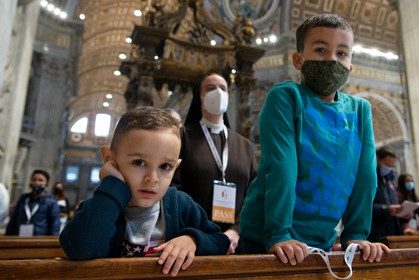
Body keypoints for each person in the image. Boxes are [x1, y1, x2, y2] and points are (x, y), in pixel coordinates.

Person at [238, 13, 389, 265]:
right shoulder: (286, 97)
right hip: (266, 237)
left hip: (321, 242)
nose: (331, 59)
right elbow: (282, 167)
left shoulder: (360, 110)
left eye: (342, 53)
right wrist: (278, 233)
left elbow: (366, 177)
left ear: (351, 64)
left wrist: (356, 234)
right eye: (320, 49)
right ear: (299, 59)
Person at [59, 106, 229, 276]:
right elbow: (78, 249)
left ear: (175, 167)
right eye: (139, 163)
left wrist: (193, 240)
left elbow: (221, 242)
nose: (152, 178)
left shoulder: (181, 205)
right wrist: (113, 185)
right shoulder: (101, 206)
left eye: (165, 166)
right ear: (109, 160)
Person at [172, 73, 257, 255]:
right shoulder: (183, 138)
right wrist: (204, 234)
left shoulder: (244, 145)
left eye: (223, 88)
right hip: (194, 240)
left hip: (238, 242)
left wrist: (235, 231)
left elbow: (254, 194)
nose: (218, 92)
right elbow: (173, 188)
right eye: (210, 88)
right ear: (200, 97)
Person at [368, 146, 406, 243]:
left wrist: (402, 212)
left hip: (393, 232)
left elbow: (393, 201)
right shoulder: (370, 179)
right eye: (386, 165)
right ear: (378, 160)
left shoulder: (390, 180)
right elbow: (364, 207)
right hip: (376, 234)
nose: (389, 169)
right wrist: (386, 209)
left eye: (391, 166)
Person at [6, 170, 61, 236]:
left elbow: (55, 224)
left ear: (47, 183)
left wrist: (51, 242)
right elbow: (13, 220)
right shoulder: (23, 199)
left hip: (39, 241)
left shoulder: (52, 202)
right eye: (34, 180)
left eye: (40, 180)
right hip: (19, 238)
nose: (36, 182)